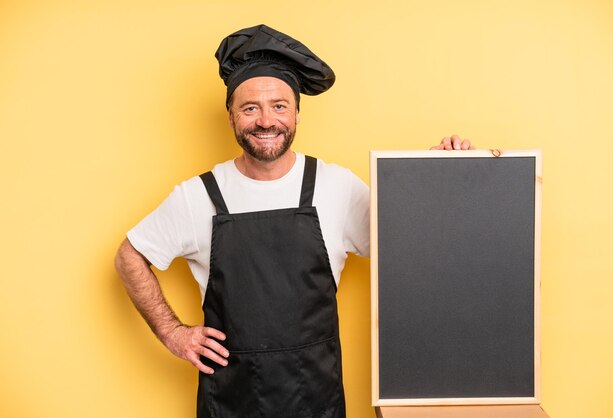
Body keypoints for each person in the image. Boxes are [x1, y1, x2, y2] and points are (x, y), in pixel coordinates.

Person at [114, 24, 472, 418]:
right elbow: (129, 257)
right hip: (231, 403)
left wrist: (440, 172)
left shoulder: (336, 186)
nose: (266, 120)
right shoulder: (197, 195)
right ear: (231, 116)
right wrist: (172, 333)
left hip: (317, 400)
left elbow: (410, 244)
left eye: (279, 105)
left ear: (297, 114)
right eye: (250, 108)